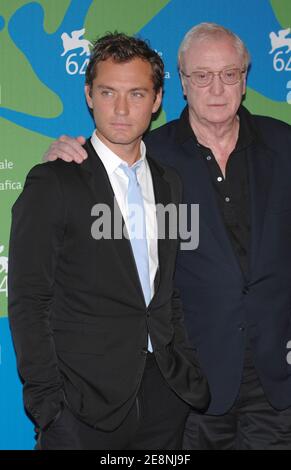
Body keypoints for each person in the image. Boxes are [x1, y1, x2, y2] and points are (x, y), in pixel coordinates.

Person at [45, 23, 291, 450]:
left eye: (229, 74)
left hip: (277, 381)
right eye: (202, 76)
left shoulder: (284, 145)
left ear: (245, 80)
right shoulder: (147, 156)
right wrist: (64, 159)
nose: (216, 88)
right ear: (181, 83)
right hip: (190, 383)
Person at [8, 32, 210, 451]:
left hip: (165, 396)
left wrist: (185, 375)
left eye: (136, 93)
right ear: (88, 95)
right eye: (108, 92)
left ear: (156, 101)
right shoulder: (55, 181)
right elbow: (29, 299)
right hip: (82, 407)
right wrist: (49, 408)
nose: (121, 109)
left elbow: (166, 292)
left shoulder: (169, 183)